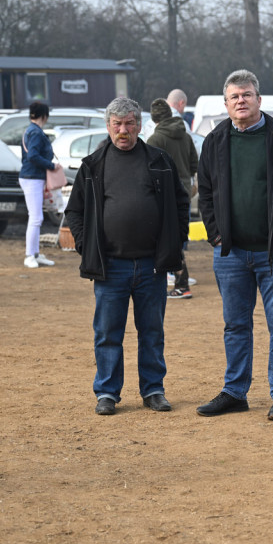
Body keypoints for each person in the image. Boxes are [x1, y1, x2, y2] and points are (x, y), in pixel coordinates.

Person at [196, 69, 273, 421]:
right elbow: (204, 192)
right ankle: (235, 391)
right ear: (226, 104)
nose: (241, 101)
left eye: (247, 95)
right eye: (234, 97)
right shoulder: (215, 140)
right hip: (230, 253)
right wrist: (216, 235)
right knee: (235, 325)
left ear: (259, 100)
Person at [64, 97, 189, 415]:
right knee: (107, 333)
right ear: (108, 127)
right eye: (117, 124)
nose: (123, 130)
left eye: (129, 123)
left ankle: (153, 390)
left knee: (152, 331)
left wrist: (177, 242)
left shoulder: (159, 161)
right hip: (110, 267)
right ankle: (107, 392)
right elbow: (75, 212)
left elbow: (180, 203)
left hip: (152, 265)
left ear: (139, 125)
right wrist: (85, 245)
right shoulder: (93, 164)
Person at [147, 97, 198, 299]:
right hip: (185, 190)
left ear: (154, 118)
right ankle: (176, 278)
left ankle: (181, 282)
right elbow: (195, 163)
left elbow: (149, 171)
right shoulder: (185, 136)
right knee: (176, 236)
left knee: (167, 238)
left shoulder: (155, 140)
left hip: (165, 195)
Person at [19, 101, 59, 269]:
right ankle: (30, 255)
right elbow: (33, 156)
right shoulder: (36, 133)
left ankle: (34, 253)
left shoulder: (30, 130)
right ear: (44, 116)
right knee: (35, 218)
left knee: (36, 217)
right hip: (32, 178)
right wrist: (51, 166)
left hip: (31, 177)